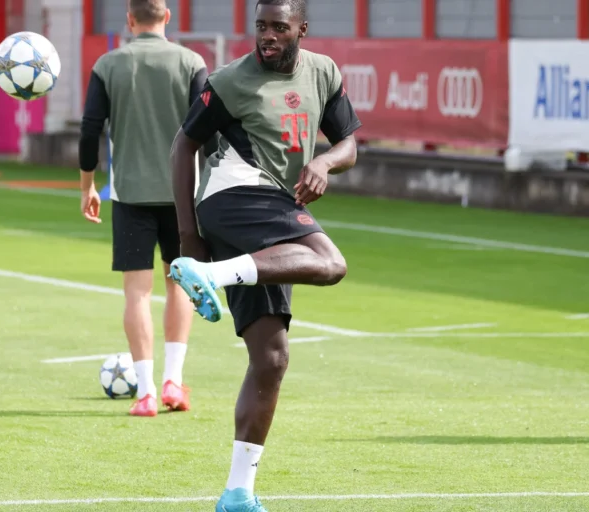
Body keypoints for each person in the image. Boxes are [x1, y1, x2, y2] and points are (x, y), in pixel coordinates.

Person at [167, 0, 362, 509]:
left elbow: (349, 145)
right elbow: (183, 145)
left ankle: (238, 492)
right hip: (236, 196)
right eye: (261, 26)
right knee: (330, 262)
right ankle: (210, 273)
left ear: (301, 28)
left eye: (279, 26)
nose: (268, 35)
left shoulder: (323, 72)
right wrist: (189, 238)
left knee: (271, 358)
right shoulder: (229, 80)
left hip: (271, 208)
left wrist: (324, 161)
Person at [78, 0, 213, 418]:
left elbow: (89, 130)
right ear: (167, 17)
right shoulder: (192, 62)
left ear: (130, 20)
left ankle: (147, 392)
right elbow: (208, 132)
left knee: (137, 293)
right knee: (180, 286)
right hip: (182, 197)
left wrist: (87, 187)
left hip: (130, 195)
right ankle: (174, 379)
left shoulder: (109, 64)